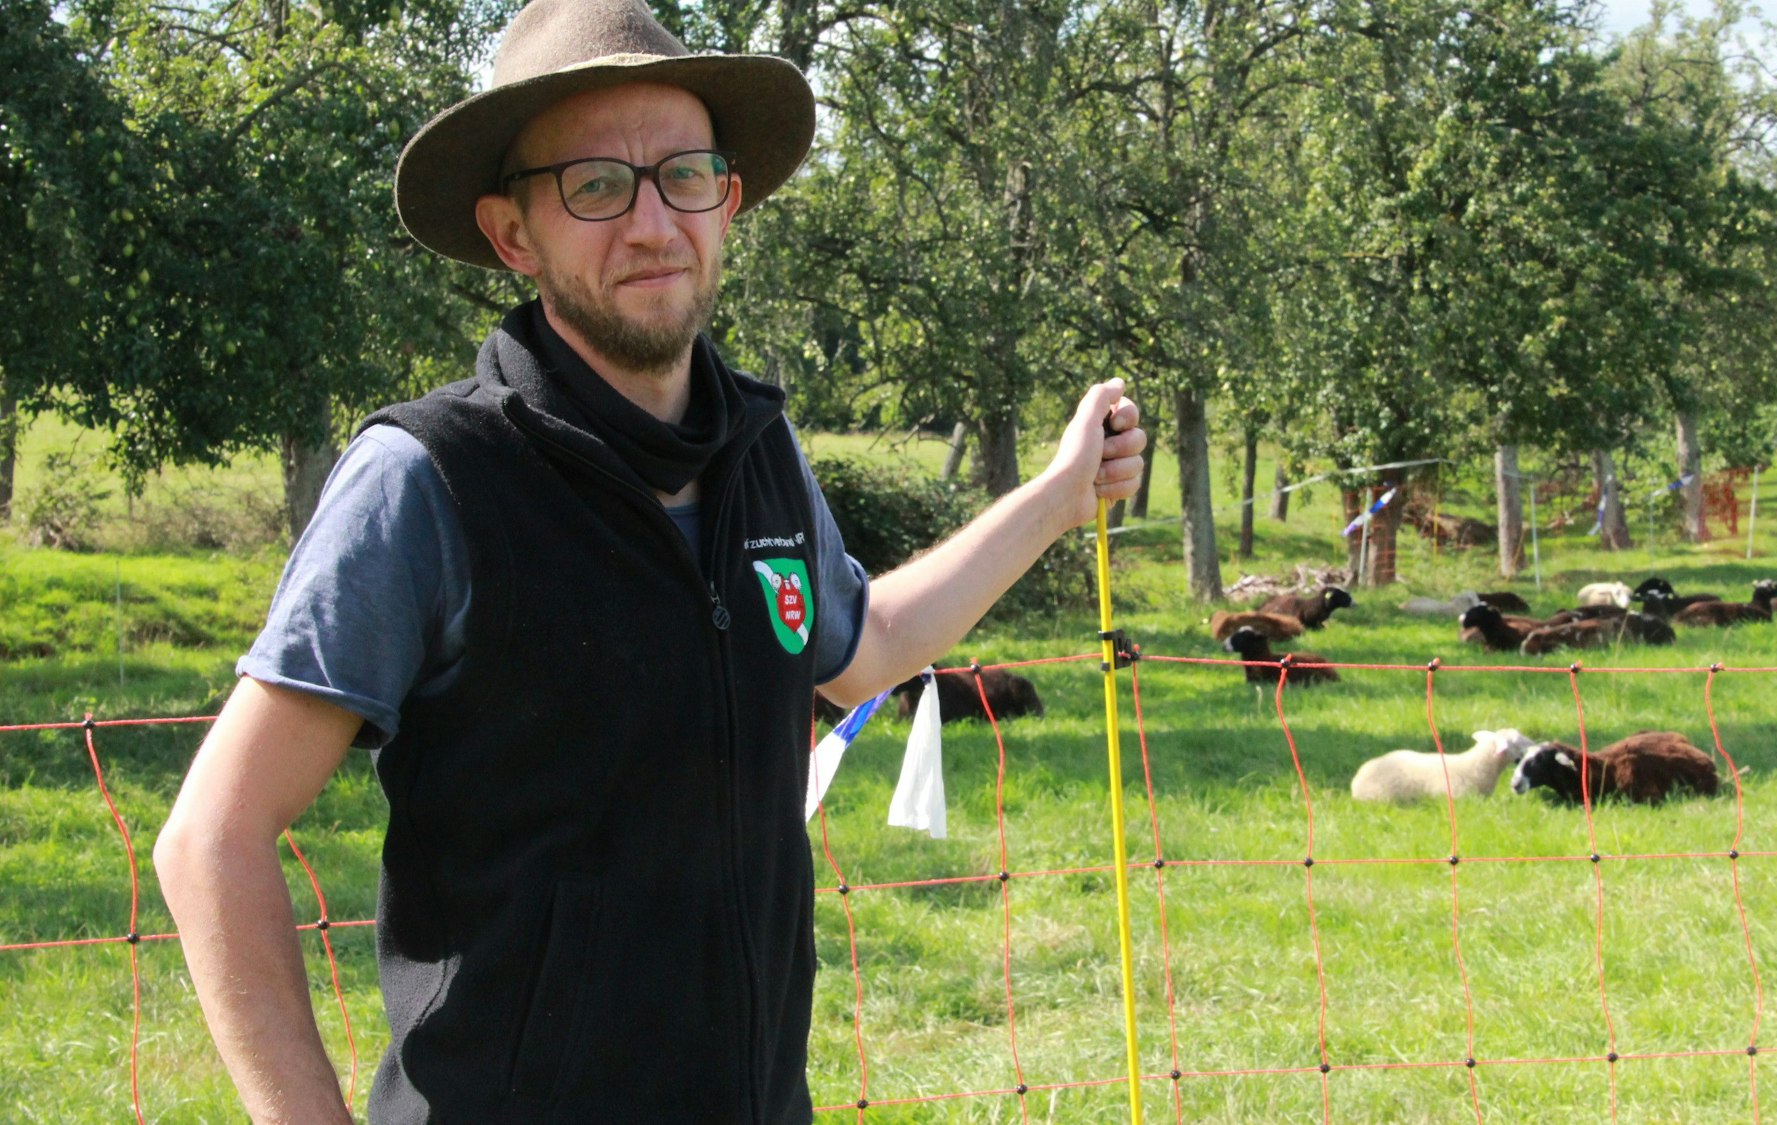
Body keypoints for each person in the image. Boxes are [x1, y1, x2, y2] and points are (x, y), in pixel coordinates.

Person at [150, 0, 1146, 1121]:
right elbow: (212, 842)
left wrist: (1056, 500)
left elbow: (861, 649)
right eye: (593, 185)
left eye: (683, 175)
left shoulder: (755, 451)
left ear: (725, 201)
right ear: (512, 233)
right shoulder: (429, 479)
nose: (650, 223)